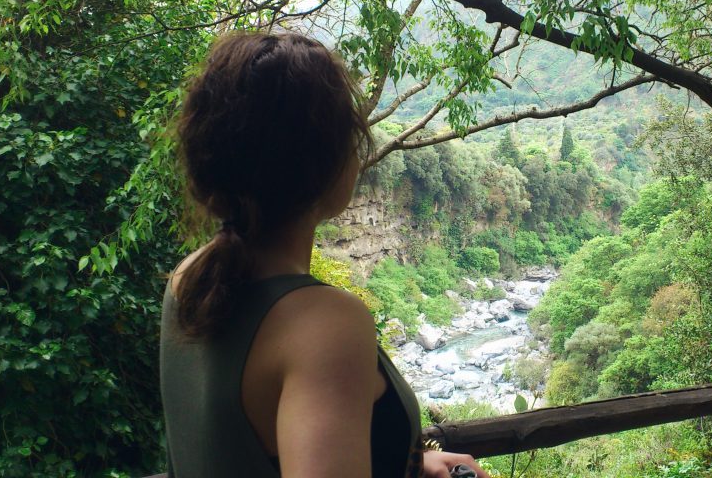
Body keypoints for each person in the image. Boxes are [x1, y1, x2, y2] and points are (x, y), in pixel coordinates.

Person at [159, 32, 490, 478]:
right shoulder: (325, 325)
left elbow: (236, 444)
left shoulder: (191, 276)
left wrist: (402, 463)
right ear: (328, 162)